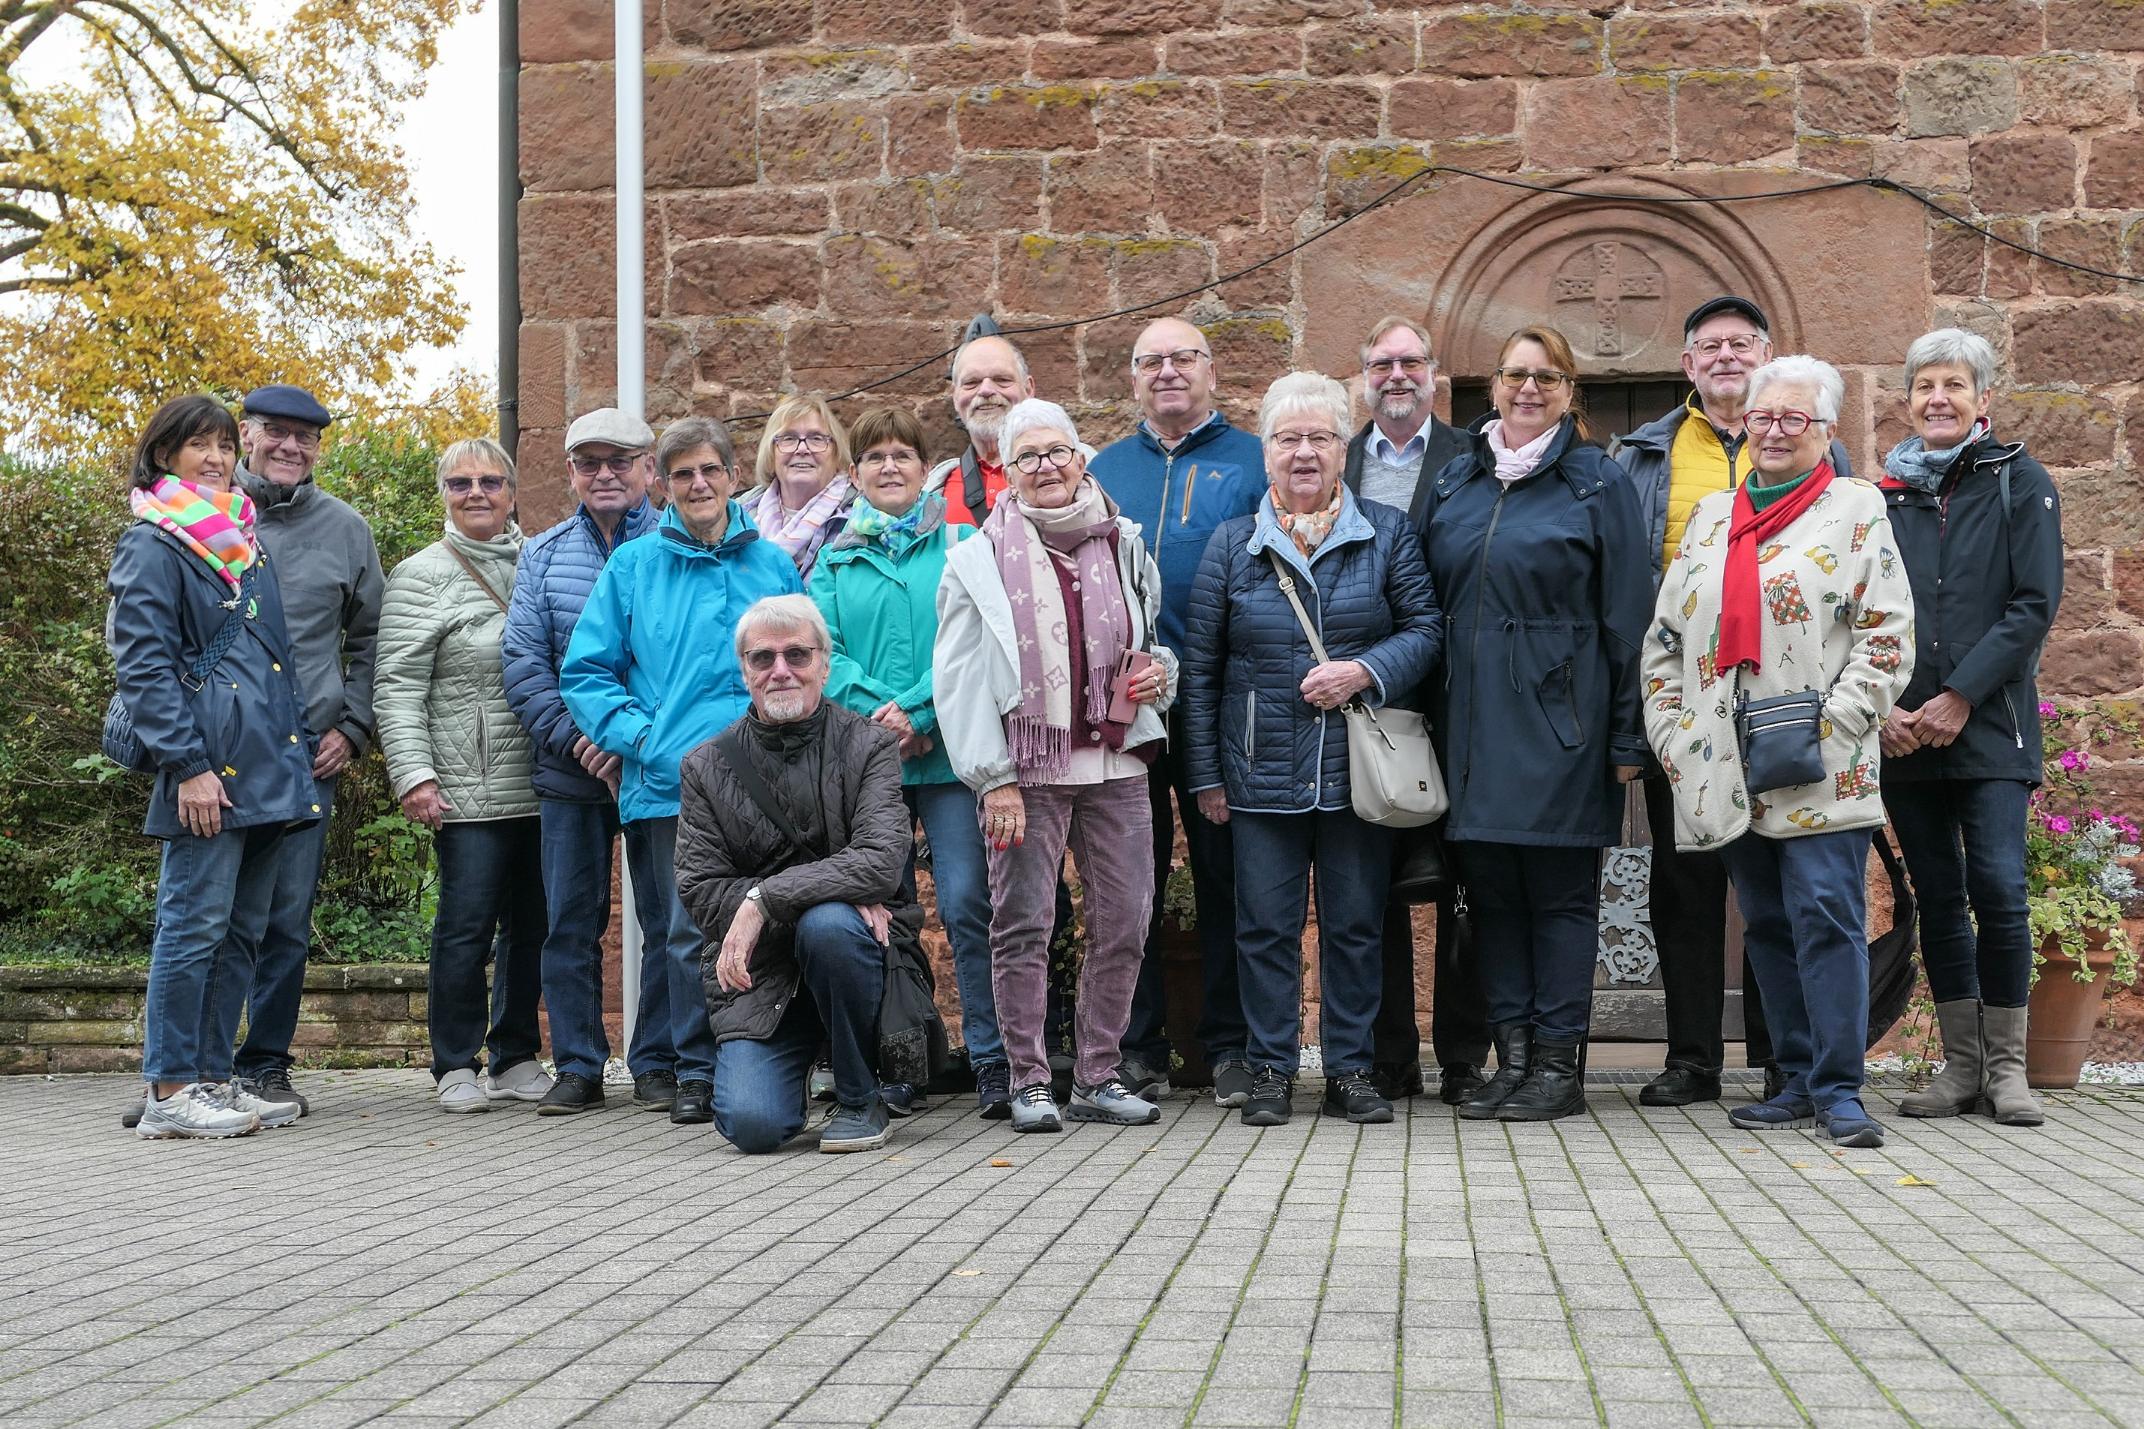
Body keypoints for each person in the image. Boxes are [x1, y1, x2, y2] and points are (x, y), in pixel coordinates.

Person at [1646, 355, 1915, 1149]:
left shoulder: (1855, 508)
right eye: (1763, 416)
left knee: (1827, 915)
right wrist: (1671, 733)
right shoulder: (1711, 517)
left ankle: (1840, 1088)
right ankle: (1793, 1077)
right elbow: (1664, 640)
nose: (1773, 430)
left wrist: (1830, 730)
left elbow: (1887, 636)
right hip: (1725, 763)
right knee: (1765, 920)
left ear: (1825, 431)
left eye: (1793, 419)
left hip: (1819, 760)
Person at [1183, 372, 1442, 1127]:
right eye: (1288, 439)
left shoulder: (1386, 533)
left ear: (1342, 448)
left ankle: (1351, 1070)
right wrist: (1205, 774)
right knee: (1263, 929)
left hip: (1356, 774)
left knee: (1356, 927)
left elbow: (1426, 630)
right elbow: (1200, 671)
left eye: (1320, 438)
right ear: (1266, 455)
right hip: (1257, 774)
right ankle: (1269, 1070)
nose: (1304, 453)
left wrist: (1365, 669)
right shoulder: (1232, 544)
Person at [1613, 298, 1854, 1108]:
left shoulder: (1835, 470)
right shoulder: (1643, 454)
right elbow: (1640, 600)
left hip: (1795, 721)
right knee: (1686, 892)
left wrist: (1843, 718)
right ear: (1687, 365)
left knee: (1783, 895)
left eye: (1739, 344)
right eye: (1708, 346)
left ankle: (1788, 1065)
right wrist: (1660, 719)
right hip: (1696, 714)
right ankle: (1692, 1059)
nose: (1723, 356)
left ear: (1767, 357)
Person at [1418, 326, 1653, 1123]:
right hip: (1469, 729)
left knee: (1559, 900)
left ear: (1569, 390)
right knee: (1490, 901)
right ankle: (1511, 1061)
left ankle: (1559, 1066)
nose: (1528, 388)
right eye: (1516, 375)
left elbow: (1629, 620)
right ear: (1493, 386)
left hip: (1562, 727)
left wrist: (1627, 738)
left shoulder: (1597, 483)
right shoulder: (1456, 481)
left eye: (1546, 377)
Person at [937, 398, 1175, 1133]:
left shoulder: (1124, 541)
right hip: (1026, 769)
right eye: (1028, 456)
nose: (1045, 466)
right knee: (1023, 925)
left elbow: (1154, 637)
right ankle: (1031, 1078)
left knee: (1127, 919)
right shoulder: (976, 557)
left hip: (1116, 759)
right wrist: (992, 777)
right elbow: (959, 677)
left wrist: (1160, 670)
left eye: (1058, 452)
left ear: (1081, 459)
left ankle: (1099, 1074)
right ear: (1007, 470)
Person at [561, 416, 801, 1128]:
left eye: (712, 471)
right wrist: (649, 740)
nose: (700, 484)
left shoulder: (772, 563)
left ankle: (765, 1053)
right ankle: (694, 1068)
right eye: (684, 473)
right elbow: (587, 672)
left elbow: (809, 659)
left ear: (734, 477)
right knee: (683, 931)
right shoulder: (632, 567)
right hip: (669, 787)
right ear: (663, 486)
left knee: (774, 919)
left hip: (771, 782)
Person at [109, 395, 315, 1138]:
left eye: (225, 445)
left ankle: (213, 1079)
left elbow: (274, 662)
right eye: (198, 444)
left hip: (265, 764)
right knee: (190, 928)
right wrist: (189, 764)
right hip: (207, 770)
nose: (216, 457)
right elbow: (145, 667)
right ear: (165, 455)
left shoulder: (240, 537)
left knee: (238, 935)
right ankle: (168, 1090)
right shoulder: (153, 544)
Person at [1879, 328, 2063, 1128]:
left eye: (1954, 385)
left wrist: (1959, 695)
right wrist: (1886, 707)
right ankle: (1959, 1068)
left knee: (1999, 887)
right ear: (1909, 398)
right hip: (1906, 731)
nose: (1939, 400)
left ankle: (2009, 1069)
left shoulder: (2021, 482)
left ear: (1984, 399)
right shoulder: (1883, 494)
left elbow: (2032, 605)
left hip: (1990, 728)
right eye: (1925, 387)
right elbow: (1860, 611)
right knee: (1940, 897)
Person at [810, 407, 1009, 1118]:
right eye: (873, 457)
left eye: (902, 454)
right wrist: (885, 719)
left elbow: (980, 638)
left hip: (952, 757)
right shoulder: (832, 560)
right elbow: (824, 655)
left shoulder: (964, 543)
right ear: (854, 474)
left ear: (927, 468)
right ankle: (897, 1060)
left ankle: (993, 1056)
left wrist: (920, 714)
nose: (889, 466)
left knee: (967, 904)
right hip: (870, 768)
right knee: (883, 915)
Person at [1089, 316, 1266, 1105]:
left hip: (1220, 703)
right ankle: (1139, 1046)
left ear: (1212, 372)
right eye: (1150, 361)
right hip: (1125, 712)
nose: (1166, 371)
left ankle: (1229, 1044)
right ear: (1132, 379)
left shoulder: (1252, 460)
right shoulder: (1103, 469)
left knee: (1228, 876)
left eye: (1182, 358)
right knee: (1129, 881)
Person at [676, 597, 915, 1154]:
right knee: (753, 1129)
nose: (780, 670)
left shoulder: (870, 745)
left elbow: (881, 860)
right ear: (744, 672)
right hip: (762, 976)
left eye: (797, 655)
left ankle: (860, 1096)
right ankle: (800, 1063)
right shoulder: (705, 767)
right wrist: (828, 891)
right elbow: (701, 891)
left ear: (825, 665)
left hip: (856, 958)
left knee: (830, 927)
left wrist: (764, 899)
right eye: (763, 658)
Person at [375, 439, 551, 1113]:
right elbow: (395, 684)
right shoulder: (420, 574)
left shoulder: (537, 559)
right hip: (467, 785)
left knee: (533, 925)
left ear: (511, 490)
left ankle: (513, 1055)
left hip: (542, 782)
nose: (476, 492)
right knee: (466, 926)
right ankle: (454, 1061)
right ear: (442, 493)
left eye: (490, 480)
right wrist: (414, 773)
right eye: (460, 482)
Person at [500, 408, 665, 1117]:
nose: (605, 473)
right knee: (570, 921)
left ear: (647, 469)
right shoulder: (541, 555)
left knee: (668, 920)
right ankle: (578, 1063)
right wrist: (581, 740)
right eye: (589, 462)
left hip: (660, 768)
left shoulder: (679, 543)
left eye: (620, 460)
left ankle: (660, 1060)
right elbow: (523, 666)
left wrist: (635, 741)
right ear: (569, 472)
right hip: (572, 772)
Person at [226, 384, 383, 1118]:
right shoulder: (205, 514)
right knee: (207, 917)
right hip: (217, 754)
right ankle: (187, 1066)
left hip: (303, 759)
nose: (292, 447)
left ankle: (264, 1064)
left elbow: (372, 637)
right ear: (246, 436)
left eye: (307, 437)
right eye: (277, 433)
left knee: (284, 921)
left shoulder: (346, 530)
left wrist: (351, 728)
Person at [1342, 314, 1487, 1105]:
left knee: (1464, 887)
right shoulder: (1340, 460)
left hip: (1462, 697)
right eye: (1381, 362)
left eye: (1410, 362)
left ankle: (1464, 1054)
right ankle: (1389, 1052)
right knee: (1375, 885)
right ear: (1363, 375)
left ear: (1434, 373)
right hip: (1374, 700)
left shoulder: (1473, 456)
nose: (1396, 375)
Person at [926, 333, 1035, 527]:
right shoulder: (932, 491)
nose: (985, 390)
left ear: (1028, 389)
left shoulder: (1073, 471)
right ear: (955, 396)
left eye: (1001, 379)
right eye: (971, 383)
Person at [748, 394, 853, 578]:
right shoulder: (739, 517)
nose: (802, 449)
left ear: (836, 454)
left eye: (816, 438)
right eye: (788, 438)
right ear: (771, 455)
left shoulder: (859, 518)